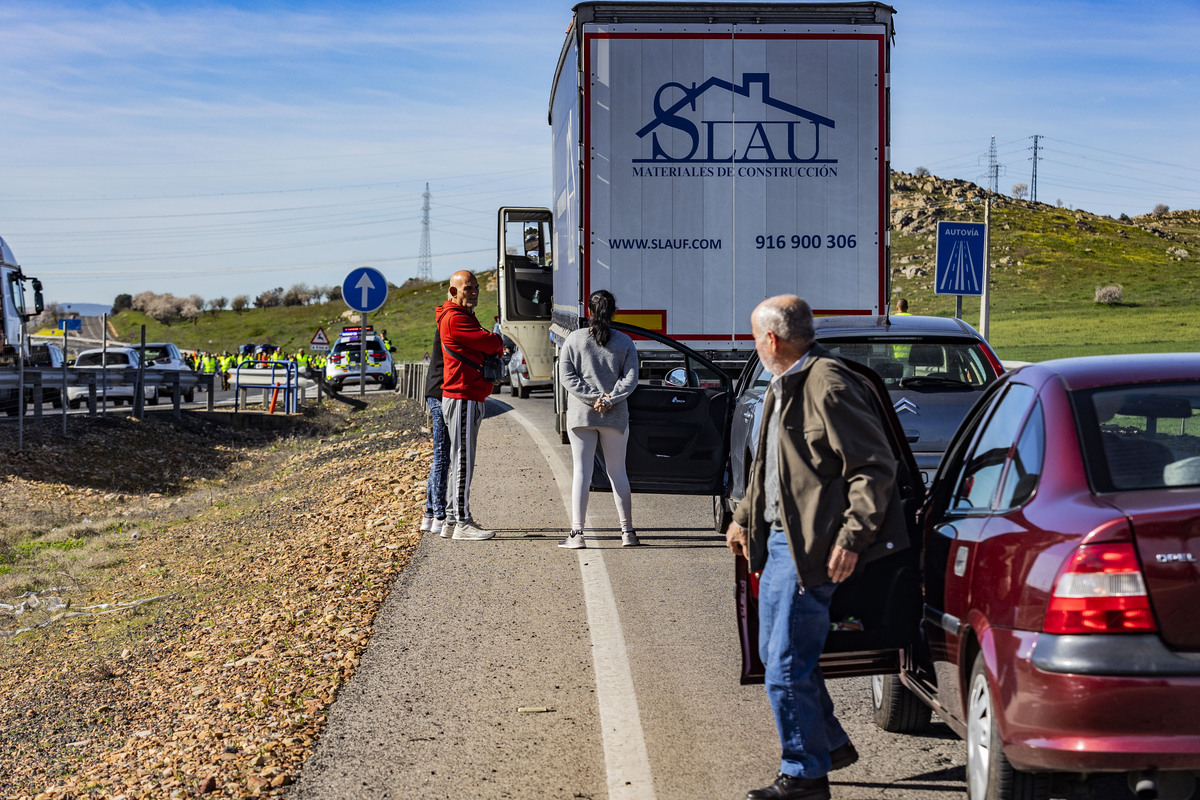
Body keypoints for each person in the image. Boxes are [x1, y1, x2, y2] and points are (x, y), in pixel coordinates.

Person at [725, 295, 907, 800]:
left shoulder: (828, 384)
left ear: (772, 339)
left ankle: (805, 773)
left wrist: (853, 538)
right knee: (775, 655)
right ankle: (826, 744)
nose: (755, 344)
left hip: (812, 550)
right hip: (778, 543)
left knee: (784, 664)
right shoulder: (782, 386)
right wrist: (743, 518)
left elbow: (873, 468)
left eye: (755, 336)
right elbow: (770, 468)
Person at [557, 290, 640, 549]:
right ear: (614, 312)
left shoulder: (574, 338)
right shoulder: (625, 341)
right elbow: (631, 379)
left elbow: (567, 376)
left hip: (582, 414)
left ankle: (577, 534)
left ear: (589, 312)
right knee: (618, 473)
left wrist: (592, 398)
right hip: (614, 415)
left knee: (582, 472)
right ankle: (627, 532)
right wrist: (609, 399)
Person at [436, 270, 504, 541]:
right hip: (463, 395)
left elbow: (484, 342)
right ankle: (463, 522)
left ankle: (451, 520)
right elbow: (488, 341)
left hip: (463, 395)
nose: (474, 292)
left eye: (476, 287)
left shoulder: (458, 315)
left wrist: (491, 344)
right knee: (463, 460)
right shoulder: (455, 318)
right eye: (468, 288)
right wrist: (497, 342)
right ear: (453, 291)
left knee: (458, 459)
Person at [419, 306, 451, 538]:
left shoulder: (442, 319)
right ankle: (439, 515)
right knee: (442, 456)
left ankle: (429, 514)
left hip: (435, 391)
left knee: (440, 456)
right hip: (440, 393)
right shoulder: (450, 322)